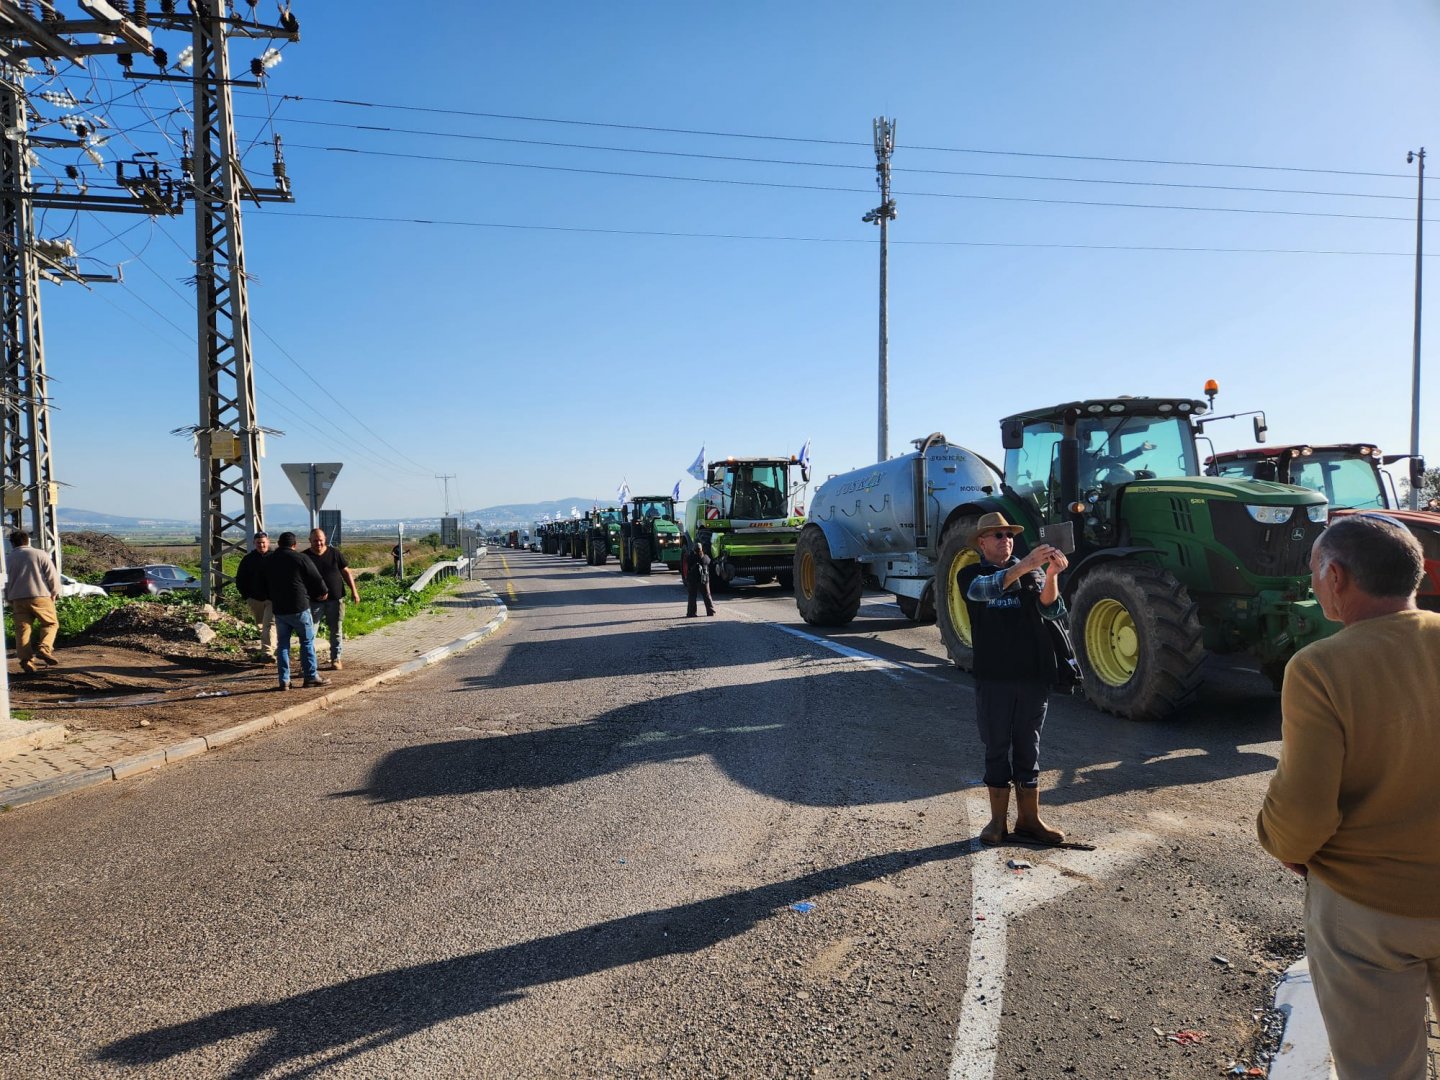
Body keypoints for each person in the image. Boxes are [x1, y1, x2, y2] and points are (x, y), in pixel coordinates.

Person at [1257, 514, 1440, 1080]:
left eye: (1315, 572)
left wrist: (1280, 840)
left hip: (1368, 910)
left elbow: (1303, 816)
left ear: (1335, 577)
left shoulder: (1319, 667)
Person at [957, 512, 1069, 846]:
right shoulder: (970, 574)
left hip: (1033, 673)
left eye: (1009, 534)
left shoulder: (1032, 571)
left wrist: (1050, 575)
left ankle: (1030, 820)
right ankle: (996, 823)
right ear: (982, 542)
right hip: (995, 676)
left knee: (1028, 747)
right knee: (996, 746)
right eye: (997, 535)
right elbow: (983, 592)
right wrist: (1025, 565)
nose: (1006, 539)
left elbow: (1051, 610)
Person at [261, 531, 328, 691]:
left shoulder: (269, 560)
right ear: (294, 545)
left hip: (279, 609)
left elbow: (262, 582)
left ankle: (284, 681)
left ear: (278, 543)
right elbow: (316, 578)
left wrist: (270, 596)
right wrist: (322, 592)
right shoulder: (300, 558)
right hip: (299, 607)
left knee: (283, 644)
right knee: (306, 642)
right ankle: (311, 676)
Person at [4, 531, 60, 675]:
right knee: (50, 623)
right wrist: (54, 592)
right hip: (40, 595)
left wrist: (8, 597)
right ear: (27, 540)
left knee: (22, 630)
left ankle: (26, 661)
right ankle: (44, 648)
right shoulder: (39, 554)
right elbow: (51, 575)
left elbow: (4, 581)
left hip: (17, 598)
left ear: (12, 543)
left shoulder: (7, 559)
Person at [304, 527, 359, 671]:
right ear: (310, 541)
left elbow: (346, 572)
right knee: (310, 633)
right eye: (315, 540)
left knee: (335, 630)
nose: (318, 543)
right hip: (313, 601)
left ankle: (336, 659)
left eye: (320, 540)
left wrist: (354, 591)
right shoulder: (304, 557)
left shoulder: (334, 553)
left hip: (335, 599)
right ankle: (308, 664)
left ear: (325, 540)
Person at [234, 530, 276, 661]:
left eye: (263, 543)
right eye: (258, 543)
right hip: (255, 599)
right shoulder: (248, 560)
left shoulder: (275, 557)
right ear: (254, 543)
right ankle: (270, 648)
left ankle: (267, 653)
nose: (261, 545)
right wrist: (247, 596)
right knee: (261, 626)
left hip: (272, 599)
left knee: (269, 625)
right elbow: (240, 579)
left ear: (268, 542)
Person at [684, 533, 715, 617]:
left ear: (694, 549)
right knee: (707, 595)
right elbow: (710, 563)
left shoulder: (690, 557)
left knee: (692, 596)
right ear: (701, 549)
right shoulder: (705, 557)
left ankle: (691, 613)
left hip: (693, 579)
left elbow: (687, 562)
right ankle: (710, 611)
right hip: (704, 579)